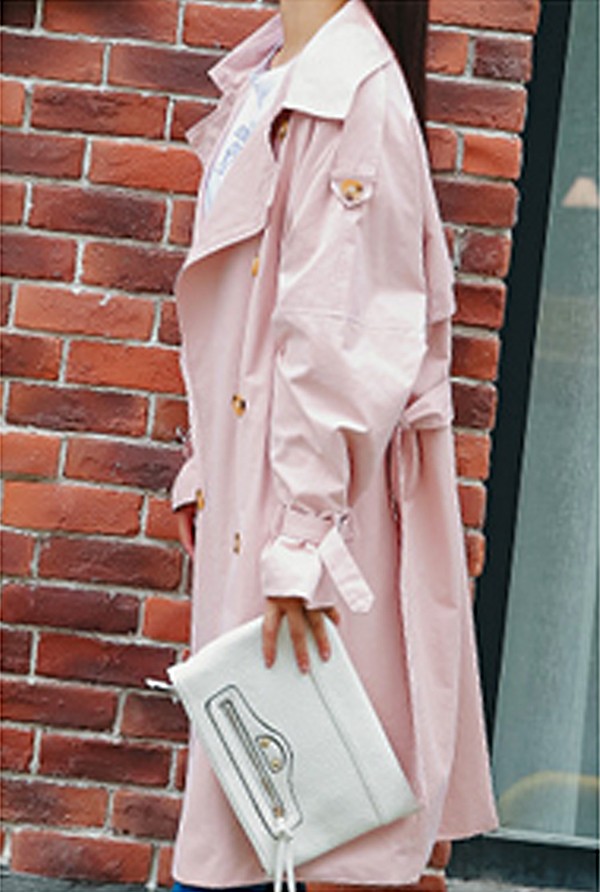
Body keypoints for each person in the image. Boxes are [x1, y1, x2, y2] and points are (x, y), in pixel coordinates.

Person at [170, 0, 498, 888]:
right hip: (258, 492)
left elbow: (338, 338)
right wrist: (205, 467)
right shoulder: (270, 76)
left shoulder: (352, 93)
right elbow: (246, 320)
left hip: (304, 516)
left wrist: (303, 539)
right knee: (260, 813)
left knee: (287, 824)